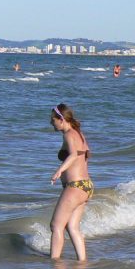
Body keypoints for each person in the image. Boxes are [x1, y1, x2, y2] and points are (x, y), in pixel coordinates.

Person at [49, 103, 93, 261]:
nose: (50, 123)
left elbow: (74, 154)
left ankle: (54, 263)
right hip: (86, 186)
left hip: (75, 187)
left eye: (52, 119)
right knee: (72, 227)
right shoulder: (79, 134)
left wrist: (59, 171)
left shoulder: (69, 134)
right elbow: (87, 155)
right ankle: (82, 262)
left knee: (56, 226)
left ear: (61, 119)